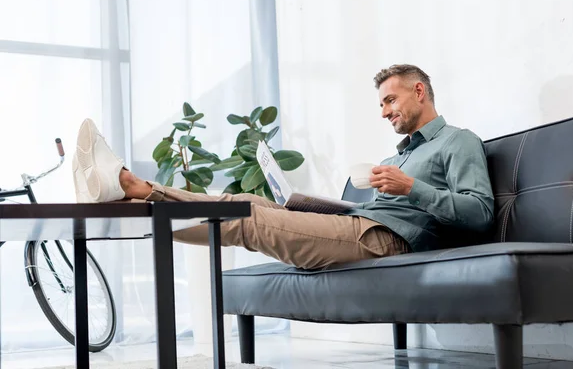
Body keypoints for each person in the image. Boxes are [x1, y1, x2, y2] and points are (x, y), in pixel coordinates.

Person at [73, 64, 494, 269]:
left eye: (390, 100)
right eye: (381, 103)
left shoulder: (458, 141)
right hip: (361, 225)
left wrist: (411, 188)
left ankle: (127, 187)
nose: (384, 112)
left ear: (419, 91)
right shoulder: (395, 157)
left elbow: (480, 214)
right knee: (241, 198)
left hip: (390, 241)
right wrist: (321, 205)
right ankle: (137, 189)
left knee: (247, 218)